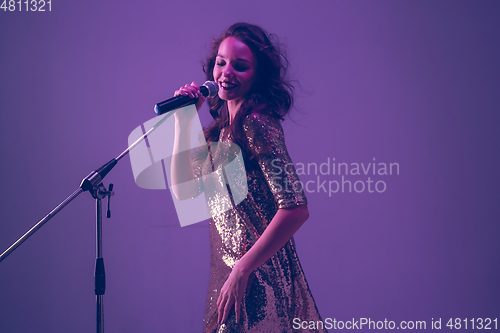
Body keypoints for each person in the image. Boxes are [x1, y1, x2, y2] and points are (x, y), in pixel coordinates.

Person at [171, 22, 326, 333]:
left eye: (240, 66)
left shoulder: (256, 124)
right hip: (227, 279)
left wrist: (242, 270)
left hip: (258, 280)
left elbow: (296, 208)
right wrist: (182, 119)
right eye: (221, 63)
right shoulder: (217, 133)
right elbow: (184, 192)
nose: (227, 72)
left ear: (257, 75)